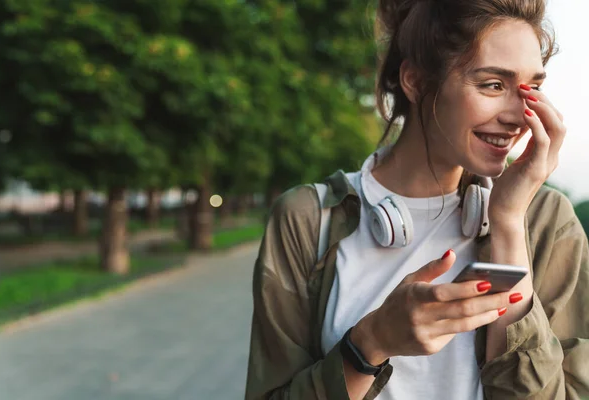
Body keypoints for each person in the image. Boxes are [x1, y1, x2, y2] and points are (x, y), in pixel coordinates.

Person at [244, 0, 589, 399]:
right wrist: (370, 343)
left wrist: (509, 223)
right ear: (416, 81)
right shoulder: (307, 219)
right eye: (493, 85)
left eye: (532, 88)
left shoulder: (545, 219)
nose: (519, 116)